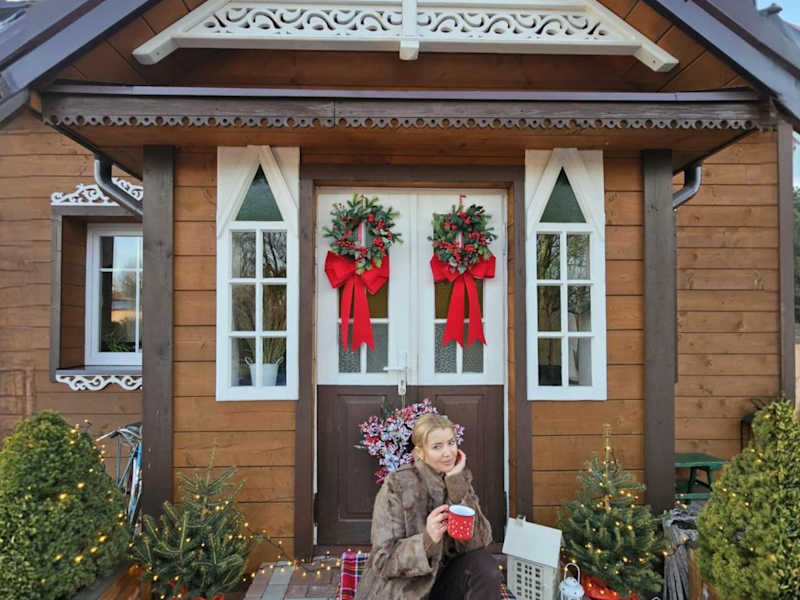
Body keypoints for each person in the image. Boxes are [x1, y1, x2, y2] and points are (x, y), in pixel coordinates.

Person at [354, 413, 501, 600]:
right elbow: (383, 561)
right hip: (404, 589)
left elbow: (480, 542)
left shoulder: (458, 479)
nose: (448, 453)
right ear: (420, 453)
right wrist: (427, 540)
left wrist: (457, 487)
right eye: (437, 446)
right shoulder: (398, 485)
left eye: (451, 443)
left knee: (485, 566)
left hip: (445, 583)